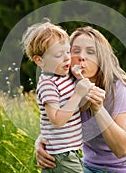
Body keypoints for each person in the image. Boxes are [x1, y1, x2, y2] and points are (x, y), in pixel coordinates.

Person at [35, 26, 126, 173]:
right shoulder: (65, 87)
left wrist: (98, 109)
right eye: (75, 51)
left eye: (90, 52)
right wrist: (40, 143)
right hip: (90, 167)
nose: (81, 56)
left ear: (101, 59)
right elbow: (58, 122)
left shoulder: (118, 88)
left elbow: (122, 150)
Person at [21, 20, 93, 172]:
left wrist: (78, 76)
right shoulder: (48, 84)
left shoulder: (63, 76)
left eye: (68, 52)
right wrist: (78, 94)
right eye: (59, 55)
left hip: (70, 152)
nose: (67, 58)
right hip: (61, 155)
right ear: (39, 60)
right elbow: (56, 120)